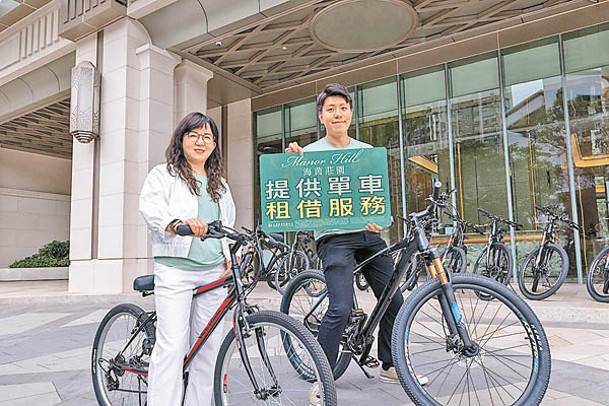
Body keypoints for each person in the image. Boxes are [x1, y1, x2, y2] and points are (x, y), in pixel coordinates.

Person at [285, 83, 427, 405]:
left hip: (368, 234)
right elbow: (294, 196)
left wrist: (382, 219)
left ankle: (390, 365)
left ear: (351, 113)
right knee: (339, 307)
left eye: (343, 108)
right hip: (333, 238)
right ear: (321, 116)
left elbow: (375, 195)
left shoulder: (365, 152)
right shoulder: (308, 154)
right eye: (331, 109)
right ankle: (324, 377)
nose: (338, 114)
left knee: (394, 299)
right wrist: (291, 165)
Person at [139, 112, 235, 406]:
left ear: (215, 144)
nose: (200, 141)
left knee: (209, 347)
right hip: (175, 270)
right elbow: (150, 206)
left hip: (213, 273)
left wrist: (232, 254)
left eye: (207, 137)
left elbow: (227, 224)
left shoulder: (220, 184)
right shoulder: (163, 174)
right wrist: (177, 222)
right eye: (193, 135)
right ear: (181, 139)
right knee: (172, 345)